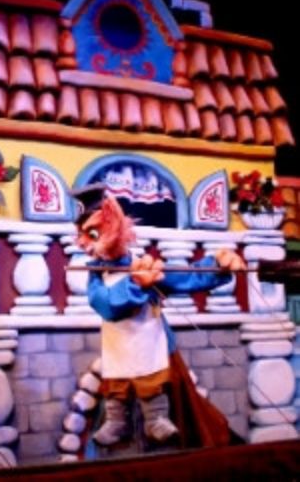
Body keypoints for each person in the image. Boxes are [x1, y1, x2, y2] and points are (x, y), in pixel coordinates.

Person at [72, 185, 244, 447]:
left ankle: (156, 420)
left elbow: (184, 277)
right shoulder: (97, 276)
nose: (84, 243)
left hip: (149, 347)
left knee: (153, 383)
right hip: (117, 350)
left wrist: (217, 264)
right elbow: (105, 305)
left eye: (92, 234)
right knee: (116, 386)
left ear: (114, 226)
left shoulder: (143, 264)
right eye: (81, 235)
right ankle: (117, 422)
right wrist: (135, 284)